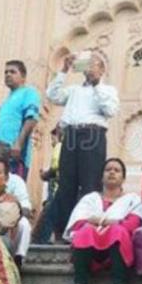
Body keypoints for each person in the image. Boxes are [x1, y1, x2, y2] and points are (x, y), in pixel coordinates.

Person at [46, 52, 120, 237]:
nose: (89, 68)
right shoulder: (74, 90)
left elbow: (110, 110)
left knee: (90, 183)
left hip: (92, 135)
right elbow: (52, 95)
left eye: (93, 64)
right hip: (71, 135)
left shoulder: (108, 90)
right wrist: (64, 70)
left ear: (101, 69)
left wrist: (96, 85)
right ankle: (62, 231)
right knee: (66, 184)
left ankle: (86, 231)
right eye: (87, 64)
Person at [64, 158, 142, 284]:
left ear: (123, 178)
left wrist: (99, 221)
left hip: (118, 248)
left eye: (117, 170)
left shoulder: (132, 200)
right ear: (102, 177)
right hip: (91, 250)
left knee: (118, 231)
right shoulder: (90, 199)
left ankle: (119, 283)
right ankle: (80, 282)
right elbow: (78, 223)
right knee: (85, 231)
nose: (112, 172)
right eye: (108, 170)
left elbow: (132, 224)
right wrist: (113, 222)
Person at [0, 60, 41, 179]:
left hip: (14, 153)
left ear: (23, 76)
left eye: (12, 72)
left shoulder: (29, 93)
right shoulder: (6, 100)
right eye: (6, 72)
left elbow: (31, 119)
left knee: (11, 189)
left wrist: (19, 143)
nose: (8, 74)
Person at [33, 125, 62, 244]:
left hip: (57, 190)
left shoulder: (59, 146)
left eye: (52, 140)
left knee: (48, 215)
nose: (52, 143)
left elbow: (55, 167)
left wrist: (45, 174)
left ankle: (40, 241)